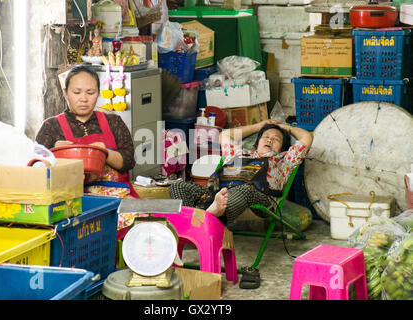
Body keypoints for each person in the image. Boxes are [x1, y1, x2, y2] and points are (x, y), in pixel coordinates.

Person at [36, 65, 140, 230]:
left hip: (117, 196)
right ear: (65, 93)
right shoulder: (51, 127)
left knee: (145, 225)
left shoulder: (114, 122)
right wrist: (54, 154)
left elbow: (128, 162)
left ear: (98, 93)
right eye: (77, 93)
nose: (83, 99)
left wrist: (104, 153)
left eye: (90, 93)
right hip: (74, 203)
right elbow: (37, 172)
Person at [169, 119, 314, 227]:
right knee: (178, 186)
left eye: (276, 139)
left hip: (259, 197)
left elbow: (307, 137)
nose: (270, 139)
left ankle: (213, 216)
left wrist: (285, 128)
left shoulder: (284, 160)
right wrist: (258, 126)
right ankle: (188, 224)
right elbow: (224, 135)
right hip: (215, 194)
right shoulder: (239, 153)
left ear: (282, 147)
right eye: (265, 136)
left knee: (243, 190)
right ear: (256, 143)